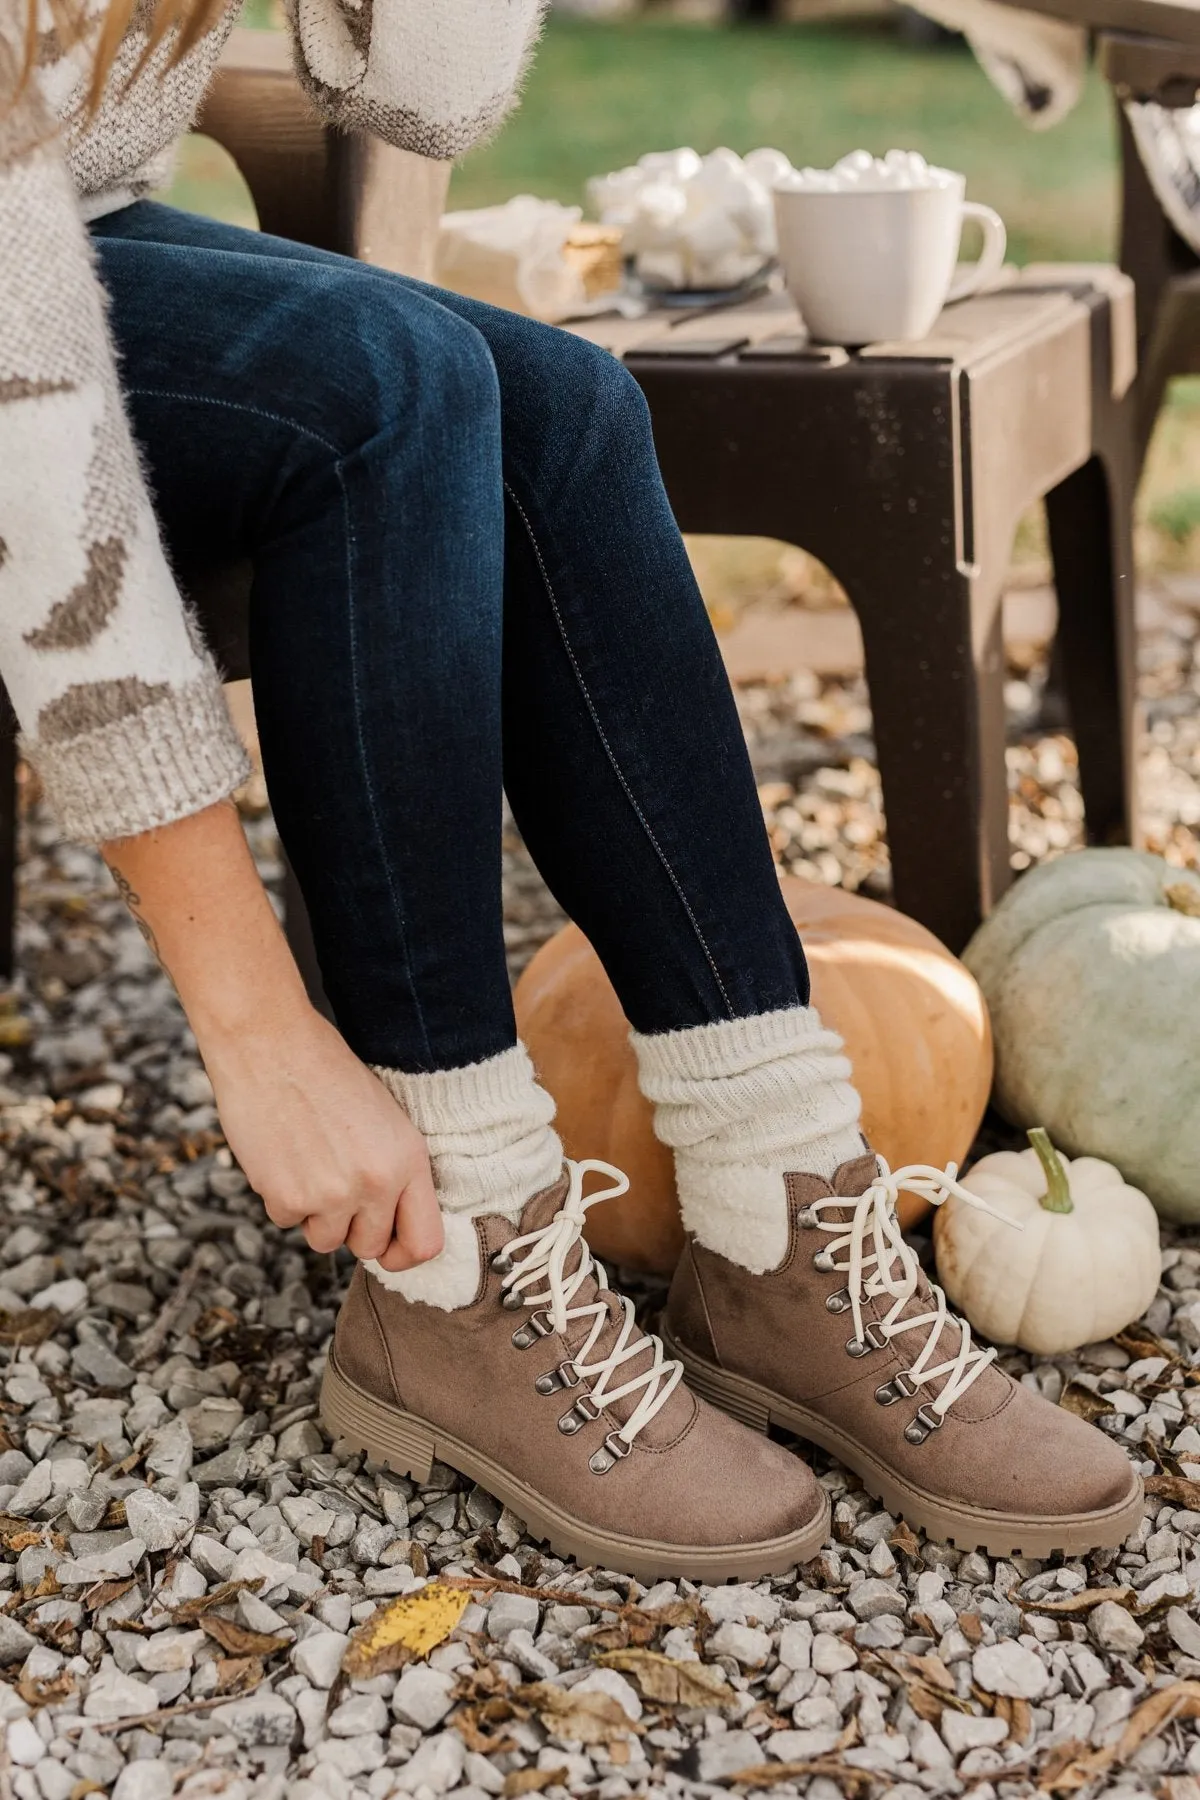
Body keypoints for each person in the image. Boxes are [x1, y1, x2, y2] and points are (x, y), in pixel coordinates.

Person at [1, 0, 1142, 1579]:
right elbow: (28, 427)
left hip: (68, 219)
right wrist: (259, 1026)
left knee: (564, 412)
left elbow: (422, 91)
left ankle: (776, 1213)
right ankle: (454, 1258)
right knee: (390, 388)